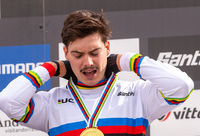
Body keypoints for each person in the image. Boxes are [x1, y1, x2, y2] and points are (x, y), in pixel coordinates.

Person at [0, 10, 194, 136]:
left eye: (95, 52)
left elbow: (182, 87)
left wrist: (125, 60)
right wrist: (52, 67)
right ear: (66, 53)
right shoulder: (51, 102)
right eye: (77, 55)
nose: (88, 63)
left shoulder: (138, 94)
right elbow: (8, 101)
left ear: (107, 48)